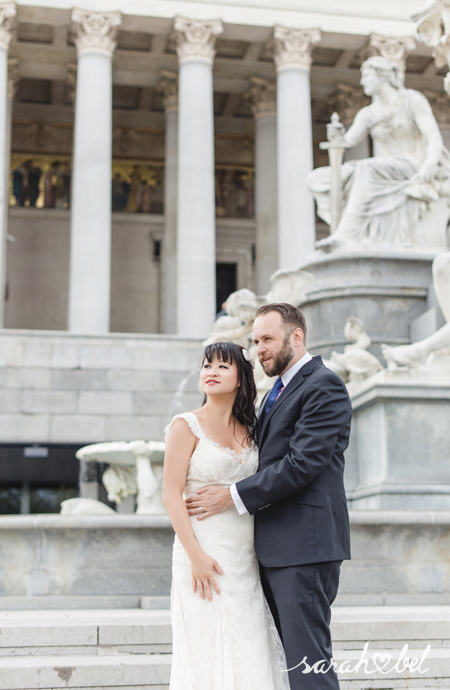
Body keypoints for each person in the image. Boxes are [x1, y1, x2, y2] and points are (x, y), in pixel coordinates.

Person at [186, 303, 352, 690]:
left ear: (297, 337)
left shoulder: (323, 385)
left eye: (267, 339)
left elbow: (301, 464)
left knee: (308, 662)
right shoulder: (275, 392)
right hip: (275, 547)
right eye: (255, 340)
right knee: (287, 662)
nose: (258, 348)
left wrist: (232, 494)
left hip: (304, 546)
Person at [163, 341, 289, 690]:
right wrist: (196, 557)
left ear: (240, 377)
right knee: (208, 642)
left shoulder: (251, 430)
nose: (211, 372)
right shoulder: (185, 425)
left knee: (249, 640)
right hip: (202, 551)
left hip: (245, 556)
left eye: (222, 366)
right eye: (207, 366)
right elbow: (171, 495)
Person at [308, 56, 450, 248]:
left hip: (413, 165)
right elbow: (347, 142)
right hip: (387, 167)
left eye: (366, 76)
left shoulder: (412, 100)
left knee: (367, 168)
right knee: (318, 179)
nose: (361, 82)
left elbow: (433, 136)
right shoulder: (368, 114)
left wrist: (430, 163)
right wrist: (337, 135)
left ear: (382, 76)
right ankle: (353, 232)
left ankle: (346, 235)